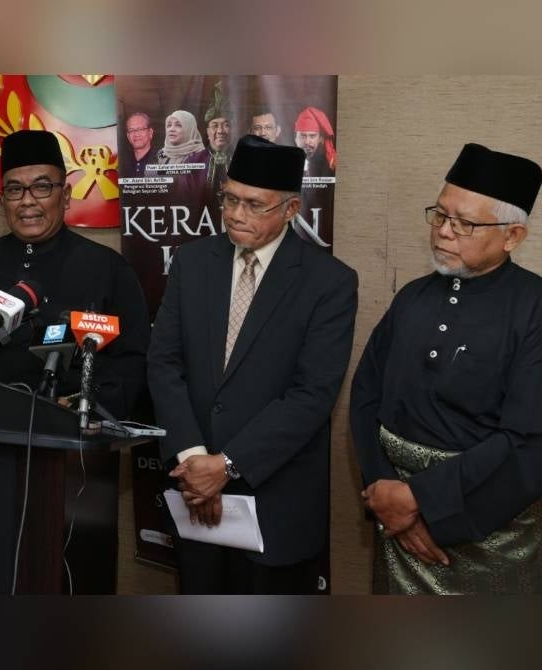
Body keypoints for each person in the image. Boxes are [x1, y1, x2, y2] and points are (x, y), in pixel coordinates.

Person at [147, 134, 358, 594]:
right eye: (230, 199)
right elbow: (164, 362)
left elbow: (312, 395)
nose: (237, 214)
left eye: (255, 205)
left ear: (291, 209)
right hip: (194, 494)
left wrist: (227, 466)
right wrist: (194, 459)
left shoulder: (329, 283)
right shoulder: (193, 262)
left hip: (276, 502)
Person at [350, 143, 542, 594]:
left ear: (512, 236)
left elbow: (527, 442)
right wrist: (383, 490)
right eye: (439, 215)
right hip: (393, 509)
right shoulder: (413, 296)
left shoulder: (534, 308)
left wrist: (422, 502)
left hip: (487, 529)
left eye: (465, 223)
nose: (443, 232)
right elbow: (365, 395)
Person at [0, 129, 149, 419]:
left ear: (67, 196)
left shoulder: (109, 270)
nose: (27, 201)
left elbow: (130, 367)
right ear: (4, 199)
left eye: (42, 187)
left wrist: (80, 414)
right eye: (14, 189)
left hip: (62, 440)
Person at [149, 110, 208, 204]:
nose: (171, 129)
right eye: (169, 125)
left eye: (178, 125)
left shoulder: (201, 157)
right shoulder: (161, 155)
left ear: (189, 129)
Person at [203, 81, 234, 196]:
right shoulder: (195, 160)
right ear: (207, 131)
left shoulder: (244, 160)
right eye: (215, 125)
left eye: (226, 125)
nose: (220, 131)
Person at [294, 106, 337, 177]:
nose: (307, 142)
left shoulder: (329, 168)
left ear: (320, 139)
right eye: (303, 136)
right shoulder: (285, 164)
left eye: (312, 136)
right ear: (295, 138)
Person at [119, 112, 156, 178]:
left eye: (141, 129)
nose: (136, 134)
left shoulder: (163, 160)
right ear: (128, 136)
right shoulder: (121, 163)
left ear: (150, 132)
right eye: (131, 130)